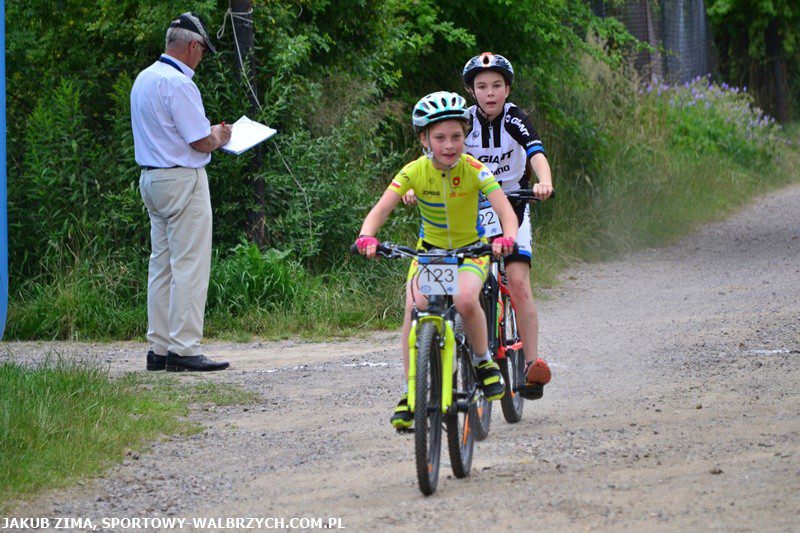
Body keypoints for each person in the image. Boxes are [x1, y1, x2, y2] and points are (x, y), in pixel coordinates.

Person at [355, 91, 519, 429]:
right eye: (440, 138)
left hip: (471, 251)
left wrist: (507, 238)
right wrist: (367, 236)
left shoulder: (474, 169)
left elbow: (505, 211)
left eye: (457, 136)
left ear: (465, 136)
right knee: (414, 306)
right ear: (424, 139)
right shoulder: (414, 171)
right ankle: (411, 392)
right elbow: (380, 210)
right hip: (430, 254)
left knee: (465, 298)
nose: (449, 145)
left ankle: (482, 360)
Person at [131, 12, 232, 372]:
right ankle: (184, 349)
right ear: (192, 46)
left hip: (151, 178)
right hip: (182, 180)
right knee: (189, 264)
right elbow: (200, 141)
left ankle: (158, 349)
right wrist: (221, 135)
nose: (201, 57)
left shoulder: (144, 78)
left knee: (161, 266)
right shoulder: (180, 84)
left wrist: (207, 134)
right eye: (202, 50)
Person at [462, 52, 553, 399]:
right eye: (482, 86)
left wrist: (544, 181)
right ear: (472, 91)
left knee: (517, 282)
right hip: (471, 209)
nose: (490, 93)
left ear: (507, 89)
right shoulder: (464, 122)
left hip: (513, 204)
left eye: (497, 85)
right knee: (468, 280)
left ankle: (531, 364)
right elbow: (437, 153)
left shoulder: (516, 118)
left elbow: (536, 153)